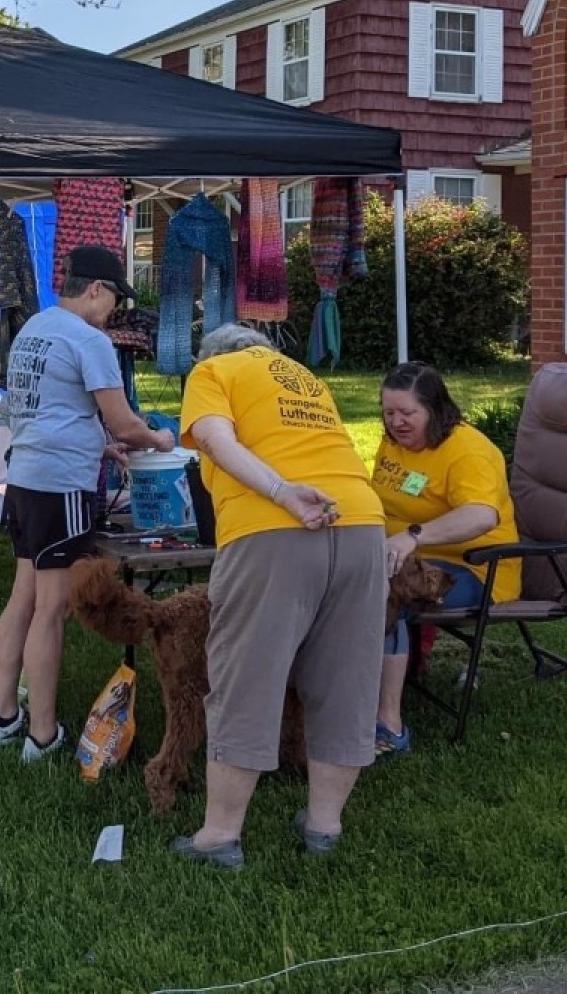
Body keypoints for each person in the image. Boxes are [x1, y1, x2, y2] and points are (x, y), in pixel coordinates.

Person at [172, 323, 389, 869]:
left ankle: (219, 837)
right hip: (361, 525)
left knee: (247, 678)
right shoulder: (306, 380)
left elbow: (218, 441)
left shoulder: (213, 370)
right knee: (345, 680)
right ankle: (324, 828)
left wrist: (280, 491)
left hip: (275, 528)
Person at [0, 244, 173, 763]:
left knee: (20, 601)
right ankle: (43, 735)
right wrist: (159, 442)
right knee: (51, 610)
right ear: (95, 289)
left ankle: (2, 717)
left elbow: (40, 406)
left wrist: (98, 444)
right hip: (60, 485)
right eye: (114, 299)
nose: (114, 311)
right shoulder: (90, 340)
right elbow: (125, 420)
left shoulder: (34, 329)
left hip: (23, 478)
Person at [369, 361, 518, 757]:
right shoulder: (396, 442)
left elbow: (482, 515)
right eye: (388, 413)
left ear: (434, 409)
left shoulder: (467, 451)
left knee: (386, 595)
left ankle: (389, 723)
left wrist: (413, 536)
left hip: (472, 567)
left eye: (407, 413)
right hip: (401, 554)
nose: (396, 422)